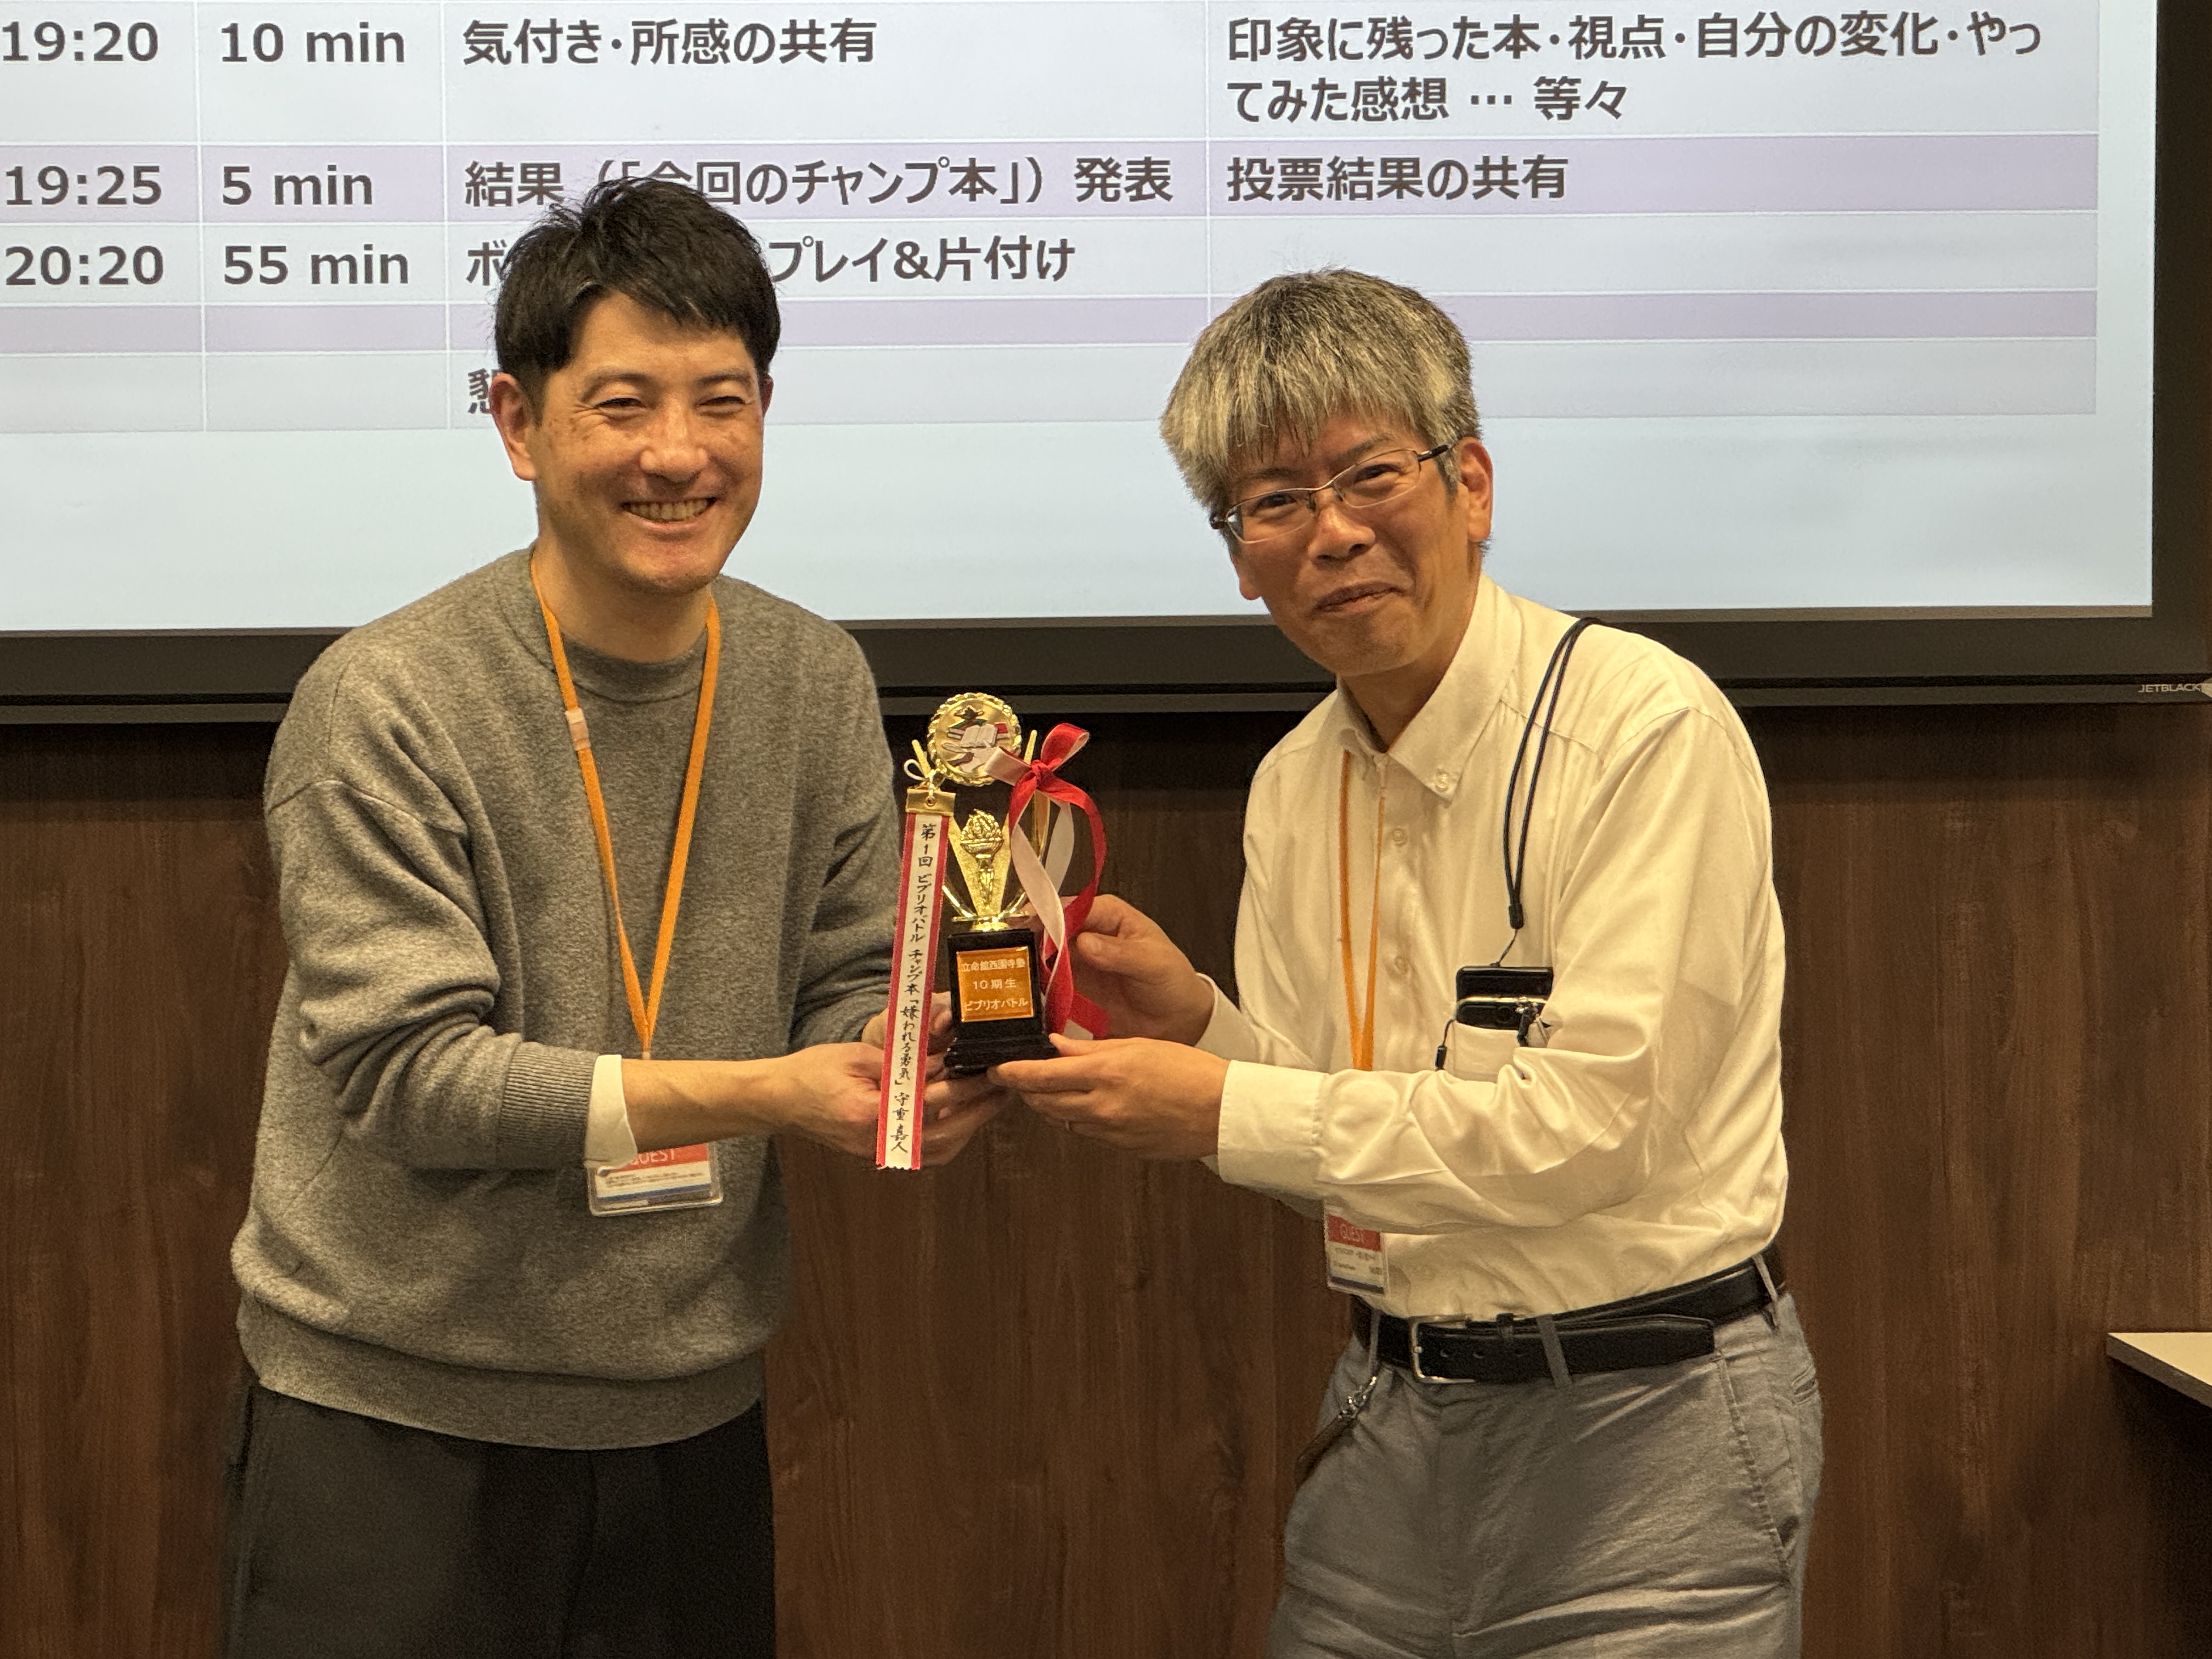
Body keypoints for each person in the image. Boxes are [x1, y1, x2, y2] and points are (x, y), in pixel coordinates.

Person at [222, 177, 995, 1658]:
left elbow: (849, 978)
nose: (678, 454)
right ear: (518, 423)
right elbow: (410, 1079)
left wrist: (917, 1054)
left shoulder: (813, 677)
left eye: (722, 402)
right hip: (393, 1420)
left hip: (687, 1416)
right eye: (623, 405)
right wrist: (771, 1093)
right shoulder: (387, 698)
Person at [995, 269, 1821, 1656]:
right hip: (1389, 1416)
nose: (1333, 533)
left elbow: (1595, 1131)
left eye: (1370, 475)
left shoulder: (1641, 729)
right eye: (1275, 501)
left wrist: (1222, 1104)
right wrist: (1200, 1027)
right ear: (1239, 554)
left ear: (1472, 486)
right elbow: (1335, 1131)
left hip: (1653, 1426)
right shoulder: (1293, 781)